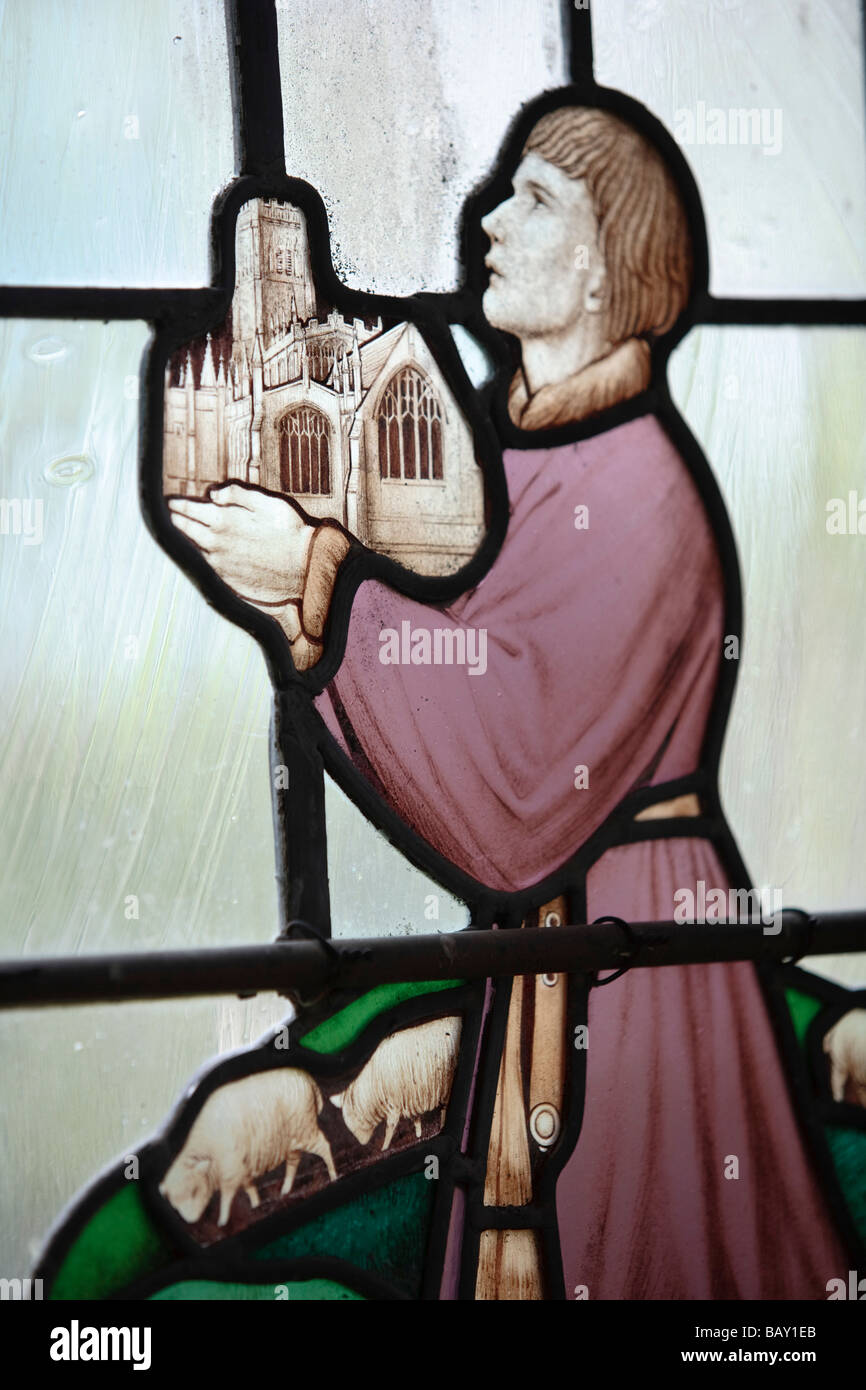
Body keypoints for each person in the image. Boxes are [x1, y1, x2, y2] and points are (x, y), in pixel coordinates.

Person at [168, 104, 856, 1300]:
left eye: (531, 199)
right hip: (560, 940)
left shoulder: (640, 488)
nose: (483, 219)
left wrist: (317, 587)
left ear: (600, 263)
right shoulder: (529, 459)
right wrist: (311, 606)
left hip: (637, 958)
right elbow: (467, 685)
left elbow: (524, 767)